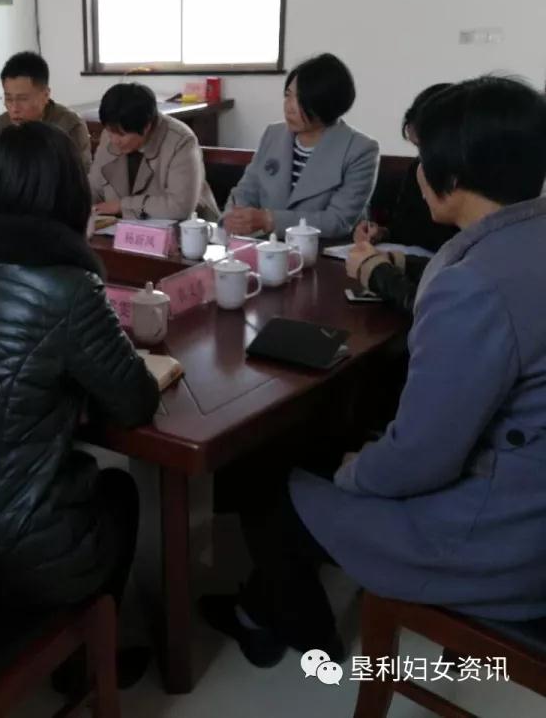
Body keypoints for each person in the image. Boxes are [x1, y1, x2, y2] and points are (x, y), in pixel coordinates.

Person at [201, 76, 546, 668]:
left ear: (452, 176)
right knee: (318, 441)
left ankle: (308, 637)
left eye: (422, 158)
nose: (416, 172)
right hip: (526, 484)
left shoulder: (473, 286)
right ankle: (265, 606)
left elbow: (423, 457)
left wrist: (355, 470)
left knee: (268, 485)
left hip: (503, 531)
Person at [0, 122, 159, 625]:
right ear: (71, 197)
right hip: (23, 542)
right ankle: (90, 654)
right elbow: (134, 403)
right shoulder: (71, 288)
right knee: (120, 491)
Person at [223, 53, 379, 238]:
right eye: (288, 95)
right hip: (266, 246)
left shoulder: (360, 150)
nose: (289, 107)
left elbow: (338, 221)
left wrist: (269, 220)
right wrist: (233, 218)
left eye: (301, 100)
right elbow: (246, 190)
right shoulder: (273, 134)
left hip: (322, 250)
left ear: (328, 104)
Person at [347, 83, 460, 315]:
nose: (422, 165)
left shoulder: (483, 236)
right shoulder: (417, 170)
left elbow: (443, 310)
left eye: (425, 149)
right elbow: (405, 227)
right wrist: (383, 234)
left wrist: (377, 271)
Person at [89, 83, 217, 220]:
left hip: (186, 228)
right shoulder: (110, 135)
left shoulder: (181, 141)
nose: (114, 140)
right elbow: (94, 188)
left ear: (146, 127)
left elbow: (179, 207)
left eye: (122, 135)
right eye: (110, 132)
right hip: (124, 227)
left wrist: (122, 206)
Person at [0, 51, 92, 171]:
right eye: (8, 99)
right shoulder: (1, 125)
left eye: (23, 99)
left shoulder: (69, 126)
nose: (14, 108)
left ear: (45, 95)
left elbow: (79, 176)